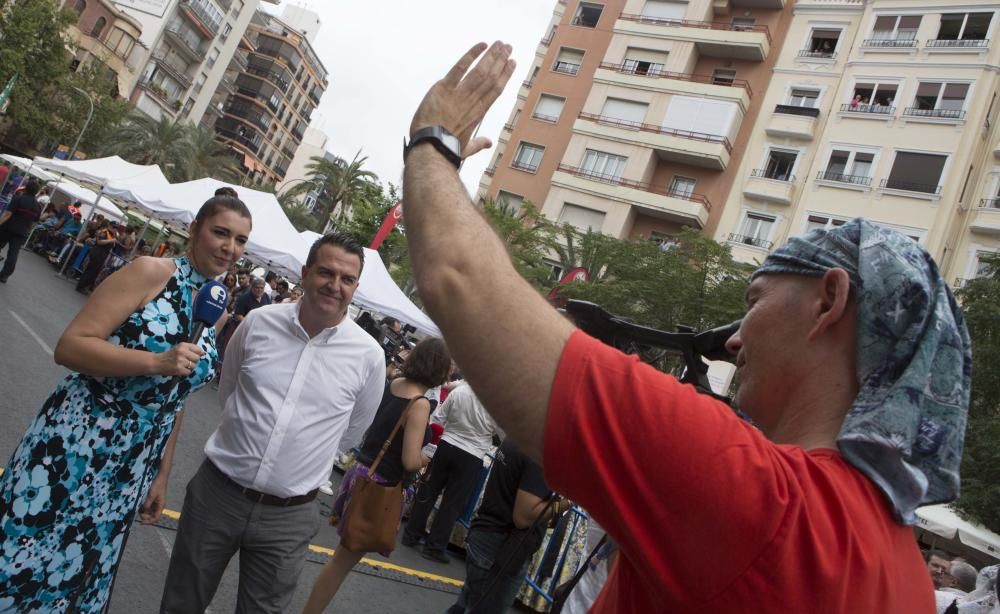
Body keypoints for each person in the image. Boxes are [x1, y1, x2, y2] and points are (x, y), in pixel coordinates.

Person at [400, 42, 971, 611]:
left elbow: (461, 280)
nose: (734, 339)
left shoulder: (754, 491)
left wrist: (433, 143)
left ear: (828, 303)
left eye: (754, 301)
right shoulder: (909, 581)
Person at [0, 195, 251, 611]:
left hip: (132, 463)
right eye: (220, 232)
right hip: (78, 438)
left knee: (77, 567)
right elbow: (70, 347)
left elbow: (178, 395)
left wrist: (160, 475)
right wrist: (155, 361)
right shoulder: (151, 272)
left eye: (240, 240)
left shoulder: (216, 305)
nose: (230, 247)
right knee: (25, 551)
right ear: (194, 230)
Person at [156, 232, 386, 613]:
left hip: (290, 516)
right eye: (326, 273)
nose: (335, 285)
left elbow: (351, 432)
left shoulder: (369, 357)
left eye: (347, 279)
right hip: (218, 494)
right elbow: (229, 391)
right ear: (306, 272)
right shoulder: (258, 324)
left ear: (356, 287)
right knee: (182, 601)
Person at [302, 338, 452, 613]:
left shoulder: (394, 384)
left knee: (341, 559)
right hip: (380, 487)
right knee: (341, 564)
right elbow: (409, 460)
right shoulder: (419, 404)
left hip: (362, 473)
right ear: (439, 369)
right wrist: (428, 454)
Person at [446, 440, 568, 614]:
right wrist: (568, 501)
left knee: (467, 602)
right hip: (501, 546)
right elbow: (523, 517)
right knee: (481, 606)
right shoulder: (538, 453)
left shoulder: (518, 437)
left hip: (488, 536)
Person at [403, 381, 502, 564]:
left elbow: (438, 417)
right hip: (472, 454)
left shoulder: (460, 391)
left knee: (429, 491)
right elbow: (501, 434)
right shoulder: (495, 402)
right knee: (452, 503)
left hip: (447, 445)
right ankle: (434, 547)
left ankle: (411, 534)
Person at [0, 179, 42, 283]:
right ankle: (4, 275)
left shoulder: (18, 199)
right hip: (22, 232)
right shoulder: (38, 206)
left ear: (26, 187)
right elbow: (34, 223)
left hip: (8, 228)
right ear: (36, 192)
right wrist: (28, 231)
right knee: (13, 254)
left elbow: (7, 214)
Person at [76, 220, 118, 293]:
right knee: (91, 270)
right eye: (113, 227)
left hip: (103, 254)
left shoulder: (111, 234)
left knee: (94, 271)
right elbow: (99, 242)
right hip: (98, 252)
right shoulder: (104, 232)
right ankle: (81, 286)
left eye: (116, 228)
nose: (114, 229)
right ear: (109, 225)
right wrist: (110, 241)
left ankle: (85, 286)